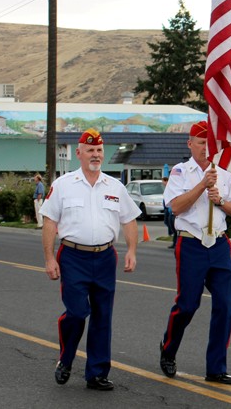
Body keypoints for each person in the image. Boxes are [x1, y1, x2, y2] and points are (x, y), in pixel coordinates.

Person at [40, 128, 140, 391]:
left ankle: (96, 373)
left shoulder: (115, 186)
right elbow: (50, 221)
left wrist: (131, 250)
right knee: (76, 312)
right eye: (90, 150)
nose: (95, 155)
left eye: (99, 151)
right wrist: (49, 258)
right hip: (73, 257)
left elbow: (129, 219)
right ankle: (66, 358)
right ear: (79, 153)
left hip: (105, 257)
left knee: (102, 315)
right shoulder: (63, 185)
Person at [159, 120, 231, 385]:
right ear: (190, 144)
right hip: (192, 243)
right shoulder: (180, 172)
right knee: (187, 305)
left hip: (218, 244)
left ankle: (216, 367)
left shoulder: (224, 174)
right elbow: (176, 207)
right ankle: (168, 349)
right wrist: (202, 186)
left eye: (210, 143)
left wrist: (220, 200)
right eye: (202, 142)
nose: (206, 148)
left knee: (225, 306)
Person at [162, 177, 178, 249]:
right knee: (170, 225)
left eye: (163, 182)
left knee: (175, 229)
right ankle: (174, 242)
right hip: (169, 211)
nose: (163, 184)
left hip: (173, 212)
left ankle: (175, 243)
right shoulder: (167, 189)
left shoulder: (172, 188)